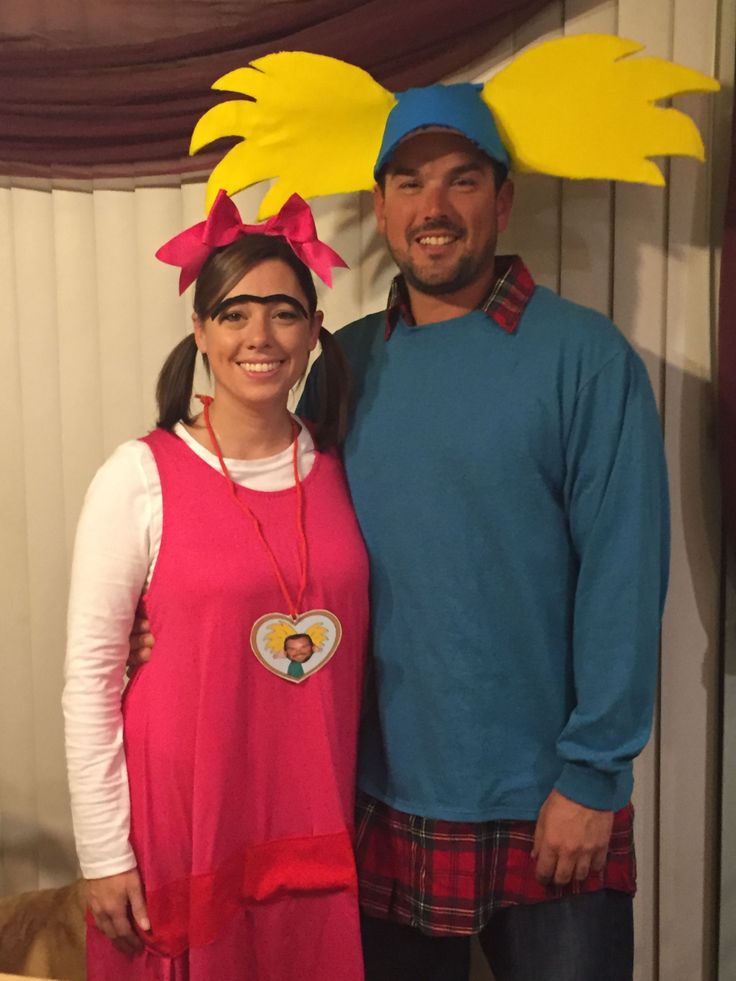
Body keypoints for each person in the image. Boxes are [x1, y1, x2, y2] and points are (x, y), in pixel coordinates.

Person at [133, 46, 691, 978]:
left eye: (461, 180)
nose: (434, 208)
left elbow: (625, 578)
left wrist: (595, 775)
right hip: (373, 801)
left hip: (549, 801)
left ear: (502, 202)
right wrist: (164, 633)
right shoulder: (342, 366)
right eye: (409, 183)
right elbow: (266, 544)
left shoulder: (587, 361)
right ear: (383, 207)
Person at [63, 192, 369, 981]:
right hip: (186, 830)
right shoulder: (139, 476)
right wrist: (102, 854)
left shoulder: (344, 467)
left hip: (314, 823)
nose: (259, 336)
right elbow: (90, 683)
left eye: (283, 313)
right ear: (200, 332)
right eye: (234, 313)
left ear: (313, 332)